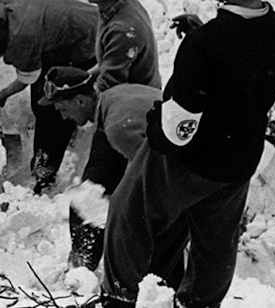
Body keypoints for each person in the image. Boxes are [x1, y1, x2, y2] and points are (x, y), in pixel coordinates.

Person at [97, 0, 275, 308]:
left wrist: (157, 125)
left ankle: (118, 298)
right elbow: (247, 70)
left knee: (127, 211)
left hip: (192, 160)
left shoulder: (206, 46)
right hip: (239, 159)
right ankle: (199, 303)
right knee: (215, 242)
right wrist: (206, 42)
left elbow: (177, 130)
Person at [45, 78, 181, 282]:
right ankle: (81, 268)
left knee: (151, 224)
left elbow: (152, 173)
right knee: (89, 198)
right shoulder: (111, 98)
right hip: (174, 136)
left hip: (186, 159)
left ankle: (160, 286)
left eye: (64, 109)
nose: (64, 117)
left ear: (80, 101)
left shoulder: (117, 127)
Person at [0, 0, 97, 193]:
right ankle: (54, 143)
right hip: (77, 26)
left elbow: (29, 76)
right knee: (42, 99)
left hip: (89, 39)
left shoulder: (21, 38)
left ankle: (45, 169)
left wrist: (5, 93)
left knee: (52, 105)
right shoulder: (1, 11)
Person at [77, 0, 162, 92]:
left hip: (135, 106)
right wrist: (83, 78)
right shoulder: (125, 4)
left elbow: (108, 86)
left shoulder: (122, 30)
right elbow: (108, 64)